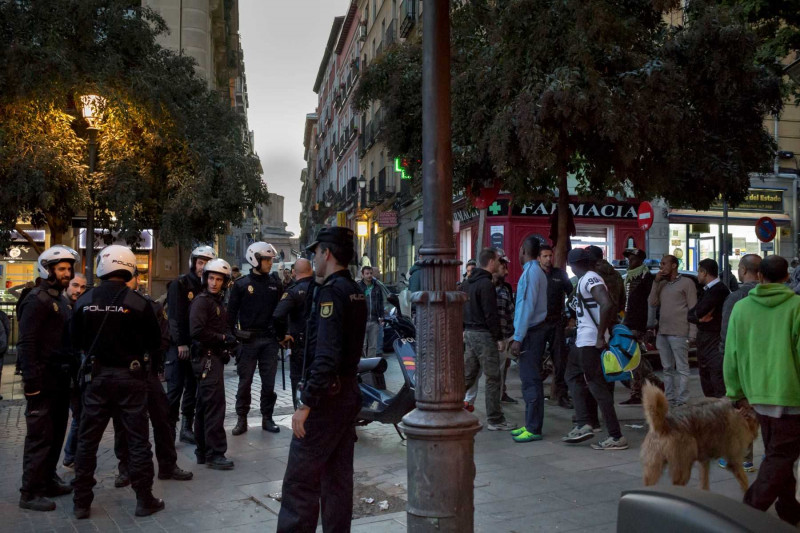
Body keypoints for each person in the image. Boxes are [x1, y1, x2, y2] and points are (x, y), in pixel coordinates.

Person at [277, 227, 366, 532]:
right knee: (337, 479)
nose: (314, 258)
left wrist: (307, 403)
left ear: (326, 253)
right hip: (347, 394)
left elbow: (325, 355)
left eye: (316, 252)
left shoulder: (330, 291)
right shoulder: (355, 290)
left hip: (327, 400)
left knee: (301, 481)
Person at [71, 245, 164, 519]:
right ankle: (144, 499)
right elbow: (155, 343)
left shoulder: (84, 300)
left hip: (97, 378)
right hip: (130, 378)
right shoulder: (139, 303)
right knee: (138, 441)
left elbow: (75, 342)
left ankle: (81, 503)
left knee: (87, 441)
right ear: (130, 267)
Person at [724, 255, 800, 526]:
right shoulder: (796, 306)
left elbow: (731, 355)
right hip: (791, 396)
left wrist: (736, 393)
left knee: (779, 456)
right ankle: (749, 511)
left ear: (758, 276)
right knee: (780, 458)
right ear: (787, 277)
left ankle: (790, 509)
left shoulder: (742, 308)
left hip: (756, 396)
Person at [112, 269, 193, 486]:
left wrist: (153, 360)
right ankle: (125, 468)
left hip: (145, 371)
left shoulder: (148, 304)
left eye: (131, 277)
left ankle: (167, 465)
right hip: (122, 372)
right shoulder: (109, 305)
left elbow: (163, 336)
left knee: (163, 418)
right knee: (123, 423)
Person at [18, 245, 78, 512]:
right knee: (39, 438)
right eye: (61, 269)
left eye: (68, 269)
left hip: (60, 379)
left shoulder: (60, 300)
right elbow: (27, 343)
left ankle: (48, 479)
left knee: (55, 435)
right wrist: (31, 383)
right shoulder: (36, 299)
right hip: (41, 381)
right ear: (48, 269)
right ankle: (30, 492)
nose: (67, 273)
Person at [563, 247, 628, 450]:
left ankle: (616, 436)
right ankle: (584, 422)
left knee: (597, 387)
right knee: (572, 375)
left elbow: (607, 304)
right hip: (583, 340)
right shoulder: (587, 278)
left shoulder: (591, 278)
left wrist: (600, 336)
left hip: (591, 341)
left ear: (574, 266)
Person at [228, 241, 284, 435]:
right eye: (266, 259)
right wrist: (232, 341)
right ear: (255, 259)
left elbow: (281, 312)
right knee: (245, 383)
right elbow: (230, 315)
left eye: (270, 259)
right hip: (248, 341)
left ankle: (267, 418)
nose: (270, 263)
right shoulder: (241, 285)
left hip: (269, 341)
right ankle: (241, 419)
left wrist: (282, 336)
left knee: (269, 383)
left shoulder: (276, 284)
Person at [166, 245, 216, 445]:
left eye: (206, 263)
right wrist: (181, 343)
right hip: (180, 347)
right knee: (175, 390)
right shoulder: (180, 283)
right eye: (200, 262)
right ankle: (168, 429)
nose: (203, 267)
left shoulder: (207, 287)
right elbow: (174, 316)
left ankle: (186, 427)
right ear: (193, 262)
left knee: (192, 388)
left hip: (198, 347)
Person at [462, 248, 517, 432]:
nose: (500, 263)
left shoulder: (468, 283)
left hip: (470, 332)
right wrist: (499, 338)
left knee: (469, 375)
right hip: (484, 335)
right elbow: (490, 313)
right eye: (498, 260)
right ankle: (495, 419)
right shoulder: (486, 284)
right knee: (493, 377)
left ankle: (448, 406)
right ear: (491, 261)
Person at [191, 258, 237, 469]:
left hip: (213, 357)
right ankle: (215, 453)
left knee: (204, 406)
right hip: (207, 359)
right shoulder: (202, 301)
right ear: (205, 278)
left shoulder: (216, 302)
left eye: (219, 279)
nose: (214, 283)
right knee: (214, 407)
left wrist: (229, 343)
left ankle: (203, 451)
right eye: (211, 278)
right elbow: (197, 331)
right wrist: (222, 339)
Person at [717, 253, 761, 472]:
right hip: (767, 362)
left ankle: (743, 457)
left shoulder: (736, 298)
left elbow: (726, 336)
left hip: (742, 362)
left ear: (743, 270)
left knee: (741, 408)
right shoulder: (781, 297)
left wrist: (725, 362)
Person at [509, 236, 549, 443]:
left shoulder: (531, 273)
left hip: (532, 332)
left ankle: (533, 428)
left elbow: (526, 307)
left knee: (530, 381)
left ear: (524, 250)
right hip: (534, 331)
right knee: (531, 381)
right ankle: (530, 424)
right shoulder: (536, 272)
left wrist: (518, 337)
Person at [648, 255, 697, 407]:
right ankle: (669, 398)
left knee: (682, 368)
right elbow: (652, 302)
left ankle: (682, 400)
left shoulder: (687, 283)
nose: (661, 267)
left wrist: (692, 332)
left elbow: (693, 308)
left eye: (664, 264)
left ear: (674, 265)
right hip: (663, 331)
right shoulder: (662, 284)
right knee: (667, 368)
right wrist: (656, 283)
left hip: (680, 332)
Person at [619, 248, 658, 405]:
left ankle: (651, 385)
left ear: (641, 260)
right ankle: (640, 390)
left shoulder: (646, 277)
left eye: (633, 259)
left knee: (636, 360)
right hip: (627, 322)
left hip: (638, 324)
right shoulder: (628, 277)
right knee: (633, 360)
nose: (630, 262)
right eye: (629, 259)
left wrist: (649, 326)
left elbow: (650, 304)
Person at [274, 258, 314, 409]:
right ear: (310, 270)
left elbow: (278, 315)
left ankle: (300, 414)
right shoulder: (321, 288)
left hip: (300, 345)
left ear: (294, 272)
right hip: (319, 345)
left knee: (298, 381)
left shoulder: (294, 291)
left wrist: (281, 336)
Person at [688, 258, 730, 399]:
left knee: (715, 377)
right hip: (705, 340)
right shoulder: (707, 290)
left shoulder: (718, 290)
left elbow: (699, 310)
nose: (697, 275)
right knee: (705, 376)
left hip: (714, 339)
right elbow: (692, 314)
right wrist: (698, 319)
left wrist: (697, 316)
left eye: (699, 272)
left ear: (704, 272)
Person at [538, 244, 573, 408]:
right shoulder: (534, 274)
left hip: (557, 322)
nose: (548, 259)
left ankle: (562, 395)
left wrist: (572, 316)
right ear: (538, 258)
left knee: (560, 361)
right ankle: (535, 396)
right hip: (538, 323)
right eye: (544, 256)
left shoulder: (560, 274)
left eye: (550, 256)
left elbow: (572, 295)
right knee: (535, 360)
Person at [62, 272, 87, 468]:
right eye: (75, 285)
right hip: (66, 372)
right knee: (79, 414)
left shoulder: (78, 307)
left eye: (82, 287)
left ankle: (71, 454)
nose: (78, 290)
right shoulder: (62, 307)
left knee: (81, 414)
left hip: (77, 371)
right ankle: (70, 454)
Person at [586, 245, 625, 315]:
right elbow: (623, 299)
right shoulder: (616, 274)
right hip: (614, 318)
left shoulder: (591, 275)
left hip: (598, 319)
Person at [358, 265, 384, 359]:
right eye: (367, 273)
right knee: (362, 345)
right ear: (362, 275)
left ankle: (371, 366)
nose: (369, 275)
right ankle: (363, 365)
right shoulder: (358, 287)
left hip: (374, 320)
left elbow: (381, 303)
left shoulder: (377, 287)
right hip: (362, 321)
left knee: (373, 346)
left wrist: (381, 316)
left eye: (370, 273)